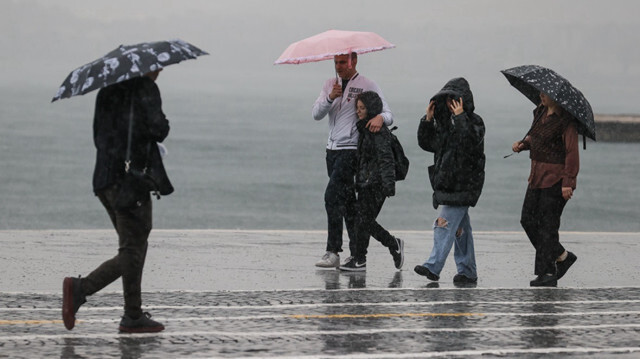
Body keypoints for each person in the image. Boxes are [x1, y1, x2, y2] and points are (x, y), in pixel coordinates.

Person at [62, 69, 170, 333]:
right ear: (145, 67)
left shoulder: (107, 90)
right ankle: (81, 288)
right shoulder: (145, 88)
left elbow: (99, 136)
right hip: (130, 183)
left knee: (132, 245)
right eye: (157, 66)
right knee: (133, 249)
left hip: (104, 179)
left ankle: (133, 315)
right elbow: (159, 129)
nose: (160, 70)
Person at [312, 52, 393, 268]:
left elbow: (388, 113)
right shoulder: (330, 84)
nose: (339, 67)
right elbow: (316, 114)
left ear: (353, 61)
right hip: (331, 150)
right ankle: (358, 255)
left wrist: (379, 117)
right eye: (336, 63)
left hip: (351, 150)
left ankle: (332, 250)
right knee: (349, 205)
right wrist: (330, 97)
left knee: (331, 196)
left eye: (343, 62)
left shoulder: (367, 83)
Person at [414, 78, 485, 285]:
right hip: (447, 183)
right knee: (461, 230)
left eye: (455, 99)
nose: (451, 104)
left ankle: (433, 266)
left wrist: (461, 117)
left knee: (443, 224)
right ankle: (468, 271)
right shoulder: (444, 125)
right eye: (447, 100)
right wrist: (427, 121)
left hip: (464, 183)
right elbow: (428, 144)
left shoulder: (475, 122)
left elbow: (470, 142)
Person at [511, 91, 579, 287]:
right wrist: (523, 144)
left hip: (556, 180)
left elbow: (571, 153)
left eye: (546, 93)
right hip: (536, 177)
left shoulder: (566, 121)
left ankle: (547, 273)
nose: (541, 95)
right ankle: (562, 256)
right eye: (541, 91)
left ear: (557, 97)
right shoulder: (539, 112)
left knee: (548, 226)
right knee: (528, 220)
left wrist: (568, 182)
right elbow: (536, 137)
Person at [338, 91, 404, 272]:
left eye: (362, 108)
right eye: (357, 108)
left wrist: (388, 185)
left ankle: (392, 244)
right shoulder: (365, 129)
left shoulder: (377, 131)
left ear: (371, 109)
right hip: (366, 183)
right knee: (362, 221)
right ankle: (360, 259)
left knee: (364, 220)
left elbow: (386, 159)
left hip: (376, 184)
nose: (358, 111)